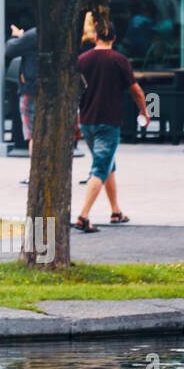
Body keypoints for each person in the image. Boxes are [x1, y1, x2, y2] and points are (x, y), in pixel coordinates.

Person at [73, 20, 149, 233]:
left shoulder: (82, 60)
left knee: (107, 165)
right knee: (100, 168)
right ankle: (83, 216)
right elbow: (136, 91)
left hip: (87, 121)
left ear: (96, 37)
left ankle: (116, 211)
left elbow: (74, 90)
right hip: (109, 121)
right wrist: (144, 111)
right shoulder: (119, 60)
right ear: (114, 38)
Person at [6, 23, 38, 170]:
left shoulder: (34, 34)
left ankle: (35, 172)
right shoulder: (63, 33)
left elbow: (10, 49)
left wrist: (19, 37)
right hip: (52, 90)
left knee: (33, 134)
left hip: (31, 89)